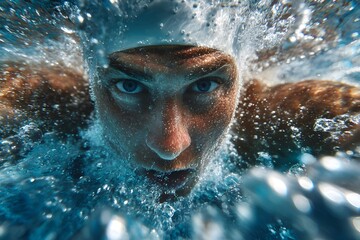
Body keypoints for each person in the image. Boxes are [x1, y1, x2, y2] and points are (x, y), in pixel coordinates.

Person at [0, 1, 359, 200]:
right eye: (129, 87)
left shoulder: (291, 119)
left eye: (203, 87)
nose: (170, 146)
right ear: (93, 80)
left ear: (239, 81)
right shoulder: (40, 106)